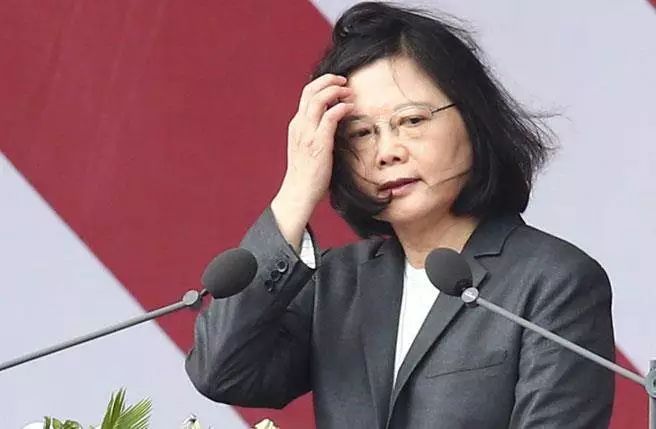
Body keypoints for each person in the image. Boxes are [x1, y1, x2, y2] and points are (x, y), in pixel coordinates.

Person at [185, 2, 615, 428]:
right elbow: (221, 371)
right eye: (361, 134)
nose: (387, 152)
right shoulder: (337, 284)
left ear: (473, 118)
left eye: (411, 121)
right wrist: (296, 189)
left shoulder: (554, 281)